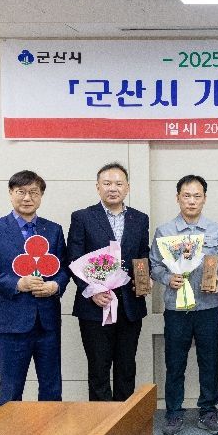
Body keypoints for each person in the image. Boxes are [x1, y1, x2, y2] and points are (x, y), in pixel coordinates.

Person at [0, 170, 70, 406]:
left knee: (51, 389)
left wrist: (55, 285)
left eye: (34, 192)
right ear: (10, 193)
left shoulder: (53, 230)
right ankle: (8, 432)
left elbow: (65, 268)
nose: (27, 198)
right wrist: (17, 283)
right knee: (11, 391)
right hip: (12, 322)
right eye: (21, 192)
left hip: (47, 322)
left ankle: (50, 430)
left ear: (41, 196)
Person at [151, 175, 218, 435]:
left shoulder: (216, 230)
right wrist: (167, 278)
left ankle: (208, 411)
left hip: (208, 307)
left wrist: (217, 277)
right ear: (178, 198)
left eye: (197, 196)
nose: (192, 201)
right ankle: (174, 413)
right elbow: (154, 265)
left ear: (204, 198)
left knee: (209, 361)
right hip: (176, 309)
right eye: (186, 195)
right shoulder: (165, 231)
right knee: (175, 363)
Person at [67, 162, 150, 402]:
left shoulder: (139, 219)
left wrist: (145, 279)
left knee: (126, 367)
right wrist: (92, 290)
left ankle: (124, 418)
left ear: (127, 187)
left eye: (118, 183)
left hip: (130, 305)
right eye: (107, 183)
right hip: (95, 306)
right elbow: (73, 258)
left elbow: (142, 255)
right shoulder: (82, 217)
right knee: (98, 368)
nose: (113, 188)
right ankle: (102, 421)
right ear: (98, 187)